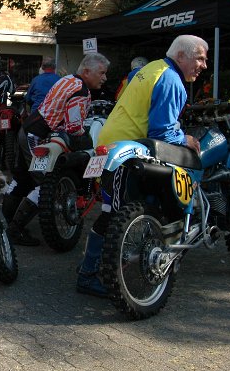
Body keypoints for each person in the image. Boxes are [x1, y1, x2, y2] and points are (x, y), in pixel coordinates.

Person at [76, 34, 208, 297]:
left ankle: (114, 262)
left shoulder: (152, 68)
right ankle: (89, 274)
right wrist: (187, 139)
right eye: (200, 58)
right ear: (181, 55)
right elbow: (163, 131)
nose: (204, 65)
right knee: (114, 213)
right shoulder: (171, 80)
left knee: (116, 210)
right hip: (128, 150)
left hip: (115, 143)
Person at [2, 53, 110, 246]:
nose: (105, 78)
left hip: (28, 129)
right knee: (43, 185)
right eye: (101, 73)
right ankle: (14, 230)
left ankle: (3, 223)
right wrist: (87, 141)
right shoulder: (81, 91)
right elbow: (74, 128)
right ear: (87, 71)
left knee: (22, 178)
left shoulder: (68, 79)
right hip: (38, 136)